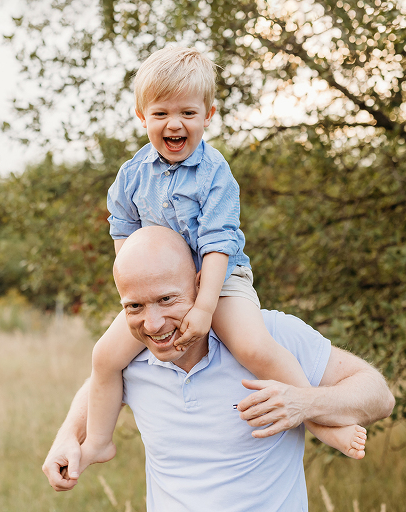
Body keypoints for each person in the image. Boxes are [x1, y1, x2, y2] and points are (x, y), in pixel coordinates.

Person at [81, 45, 367, 471]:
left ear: (208, 115)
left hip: (221, 276)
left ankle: (319, 419)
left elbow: (218, 241)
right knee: (104, 357)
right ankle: (98, 442)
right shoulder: (132, 174)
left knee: (253, 346)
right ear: (142, 117)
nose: (174, 123)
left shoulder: (214, 173)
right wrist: (135, 289)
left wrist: (203, 306)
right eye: (160, 113)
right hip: (163, 289)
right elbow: (123, 230)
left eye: (187, 113)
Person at [43, 227, 395, 510]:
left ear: (200, 285)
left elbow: (380, 396)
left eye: (167, 299)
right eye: (134, 306)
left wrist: (304, 402)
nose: (152, 323)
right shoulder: (131, 358)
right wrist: (69, 436)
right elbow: (98, 383)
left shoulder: (269, 338)